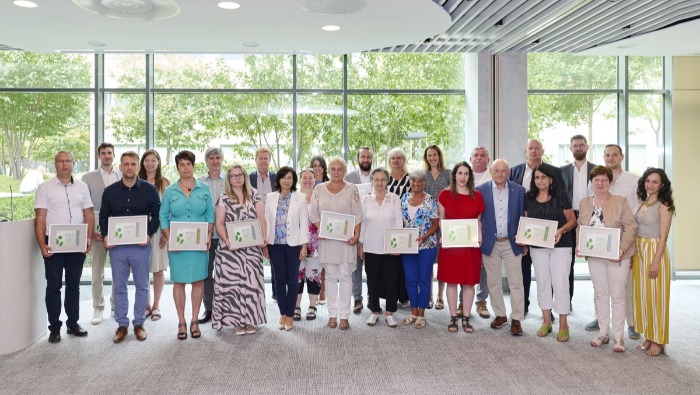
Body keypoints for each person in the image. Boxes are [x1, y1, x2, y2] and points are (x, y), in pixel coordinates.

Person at [34, 150, 94, 343]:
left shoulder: (83, 187)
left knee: (74, 286)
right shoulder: (45, 188)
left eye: (67, 160)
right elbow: (40, 217)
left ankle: (73, 323)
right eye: (60, 161)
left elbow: (89, 214)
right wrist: (42, 244)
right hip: (54, 245)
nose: (64, 164)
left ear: (73, 163)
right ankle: (54, 327)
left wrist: (89, 238)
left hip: (77, 244)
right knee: (53, 286)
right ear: (55, 164)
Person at [101, 151, 161, 343]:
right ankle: (121, 325)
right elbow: (104, 216)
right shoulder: (110, 191)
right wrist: (106, 235)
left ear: (138, 166)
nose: (129, 167)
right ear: (120, 167)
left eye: (133, 164)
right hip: (117, 247)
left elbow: (158, 215)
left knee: (142, 285)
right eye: (125, 164)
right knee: (119, 287)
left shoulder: (149, 190)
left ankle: (138, 323)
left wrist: (148, 233)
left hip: (140, 246)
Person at [577, 165, 637, 352]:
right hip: (595, 256)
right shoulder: (585, 202)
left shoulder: (620, 201)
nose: (600, 183)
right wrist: (580, 245)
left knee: (617, 295)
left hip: (617, 256)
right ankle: (603, 333)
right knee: (600, 293)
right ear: (591, 183)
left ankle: (619, 338)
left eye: (604, 180)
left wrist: (621, 249)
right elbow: (581, 227)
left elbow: (631, 228)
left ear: (610, 182)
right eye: (597, 180)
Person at [585, 144, 641, 339]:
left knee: (623, 288)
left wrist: (626, 247)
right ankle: (601, 324)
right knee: (600, 289)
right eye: (607, 155)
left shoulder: (634, 181)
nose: (611, 157)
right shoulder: (592, 187)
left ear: (621, 156)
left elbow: (637, 215)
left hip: (623, 241)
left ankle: (631, 323)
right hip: (597, 249)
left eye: (614, 154)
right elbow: (585, 222)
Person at [160, 150, 214, 340]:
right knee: (179, 282)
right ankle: (181, 321)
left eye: (188, 164)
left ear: (193, 166)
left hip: (199, 243)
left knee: (198, 281)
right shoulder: (170, 191)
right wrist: (169, 238)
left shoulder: (204, 188)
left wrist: (208, 235)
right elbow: (163, 216)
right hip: (178, 245)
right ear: (177, 168)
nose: (185, 167)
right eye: (181, 164)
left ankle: (194, 320)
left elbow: (210, 214)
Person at [509, 139, 565, 316]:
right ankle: (523, 307)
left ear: (542, 151)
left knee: (548, 274)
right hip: (525, 228)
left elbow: (561, 197)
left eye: (537, 148)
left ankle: (550, 312)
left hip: (548, 229)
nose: (533, 151)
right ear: (525, 151)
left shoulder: (554, 171)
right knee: (524, 271)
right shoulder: (515, 171)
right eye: (530, 148)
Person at [309, 157, 363, 330]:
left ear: (344, 171)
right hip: (327, 240)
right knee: (331, 277)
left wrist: (356, 235)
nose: (336, 172)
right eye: (333, 169)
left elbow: (357, 214)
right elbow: (313, 214)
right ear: (328, 171)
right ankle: (332, 315)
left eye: (340, 169)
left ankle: (344, 316)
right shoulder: (319, 189)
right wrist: (320, 229)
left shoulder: (352, 189)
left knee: (346, 276)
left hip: (346, 241)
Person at [213, 164, 268, 335]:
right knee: (233, 286)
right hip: (230, 250)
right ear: (229, 180)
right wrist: (227, 240)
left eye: (239, 175)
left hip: (251, 248)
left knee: (251, 284)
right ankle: (236, 321)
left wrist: (263, 237)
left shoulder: (255, 195)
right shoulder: (223, 198)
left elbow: (261, 218)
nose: (237, 178)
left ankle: (250, 320)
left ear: (244, 177)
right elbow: (219, 224)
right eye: (233, 176)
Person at [525, 165, 577, 342]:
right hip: (537, 248)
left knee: (561, 283)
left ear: (550, 179)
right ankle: (546, 321)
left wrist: (561, 230)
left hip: (561, 246)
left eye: (543, 177)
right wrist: (524, 237)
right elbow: (526, 222)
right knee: (543, 283)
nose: (540, 181)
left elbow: (572, 220)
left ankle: (563, 324)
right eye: (537, 178)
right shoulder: (529, 197)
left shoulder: (560, 196)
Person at [476, 159, 525, 336]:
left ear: (509, 171)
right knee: (493, 282)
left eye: (503, 171)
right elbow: (478, 218)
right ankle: (500, 315)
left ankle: (517, 318)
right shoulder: (480, 191)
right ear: (491, 171)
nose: (500, 174)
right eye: (496, 171)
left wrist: (524, 241)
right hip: (491, 243)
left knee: (515, 282)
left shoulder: (519, 191)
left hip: (512, 242)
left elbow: (522, 217)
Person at [438, 161, 484, 333]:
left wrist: (479, 236)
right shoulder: (444, 195)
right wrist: (445, 236)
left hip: (470, 247)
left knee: (469, 283)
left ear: (469, 176)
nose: (463, 177)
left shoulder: (477, 196)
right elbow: (442, 220)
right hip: (451, 246)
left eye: (466, 174)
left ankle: (466, 318)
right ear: (454, 175)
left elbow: (478, 222)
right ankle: (452, 317)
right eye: (460, 173)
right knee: (451, 282)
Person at [632, 168, 674, 357]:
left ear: (662, 185)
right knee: (643, 297)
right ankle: (649, 335)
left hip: (654, 251)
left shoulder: (664, 206)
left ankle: (658, 340)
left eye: (655, 182)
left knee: (657, 298)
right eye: (648, 181)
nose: (650, 184)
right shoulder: (643, 202)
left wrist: (655, 261)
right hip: (640, 251)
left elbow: (664, 237)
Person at [265, 166, 309, 331]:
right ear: (278, 180)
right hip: (275, 245)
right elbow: (268, 222)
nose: (286, 180)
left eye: (290, 177)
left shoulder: (300, 198)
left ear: (293, 180)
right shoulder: (270, 197)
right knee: (279, 281)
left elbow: (304, 224)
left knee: (292, 281)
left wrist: (304, 247)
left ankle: (290, 314)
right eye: (283, 177)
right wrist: (265, 245)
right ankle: (282, 312)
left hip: (293, 246)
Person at [358, 167, 402, 327]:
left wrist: (398, 246)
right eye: (376, 179)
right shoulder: (365, 200)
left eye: (382, 179)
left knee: (391, 280)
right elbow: (362, 223)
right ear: (372, 181)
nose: (379, 182)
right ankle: (374, 311)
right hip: (371, 246)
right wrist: (361, 245)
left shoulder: (394, 198)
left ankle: (389, 312)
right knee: (372, 281)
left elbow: (399, 222)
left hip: (391, 247)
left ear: (387, 180)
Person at [82, 142, 120, 325]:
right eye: (103, 153)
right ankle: (98, 307)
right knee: (97, 272)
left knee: (118, 271)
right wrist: (91, 232)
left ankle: (115, 305)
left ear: (114, 155)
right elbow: (85, 207)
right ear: (99, 156)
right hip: (97, 233)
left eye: (109, 153)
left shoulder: (122, 175)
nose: (106, 156)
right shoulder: (88, 178)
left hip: (119, 233)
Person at [400, 170, 439, 329]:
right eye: (413, 181)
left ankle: (421, 313)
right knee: (410, 279)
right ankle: (413, 311)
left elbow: (436, 223)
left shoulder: (430, 200)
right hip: (408, 246)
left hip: (427, 245)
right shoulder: (403, 199)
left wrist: (423, 237)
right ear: (410, 182)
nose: (416, 184)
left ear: (424, 183)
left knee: (423, 279)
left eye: (420, 181)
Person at [560, 135, 595, 306]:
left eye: (582, 145)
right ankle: (567, 301)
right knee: (568, 262)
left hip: (592, 218)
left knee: (596, 262)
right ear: (571, 148)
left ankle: (599, 308)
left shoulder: (597, 170)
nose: (579, 148)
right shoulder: (562, 171)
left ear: (587, 147)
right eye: (575, 146)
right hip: (570, 217)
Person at [138, 149, 170, 322]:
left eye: (153, 160)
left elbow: (168, 210)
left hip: (158, 231)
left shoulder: (164, 183)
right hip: (140, 230)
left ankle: (156, 305)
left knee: (157, 270)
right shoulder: (136, 182)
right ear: (143, 163)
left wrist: (166, 233)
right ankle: (146, 305)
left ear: (158, 163)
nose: (150, 163)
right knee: (142, 270)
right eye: (147, 160)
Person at [197, 147, 225, 324]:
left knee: (225, 273)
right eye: (211, 158)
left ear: (222, 160)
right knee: (205, 273)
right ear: (206, 161)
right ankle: (209, 308)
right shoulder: (198, 182)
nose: (215, 161)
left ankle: (225, 307)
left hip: (224, 235)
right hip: (204, 236)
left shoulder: (230, 181)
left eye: (218, 158)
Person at [423, 145, 451, 311]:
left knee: (442, 262)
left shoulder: (448, 174)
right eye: (429, 155)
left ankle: (441, 297)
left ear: (439, 156)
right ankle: (429, 296)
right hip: (427, 223)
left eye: (434, 155)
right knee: (428, 263)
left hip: (445, 221)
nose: (432, 158)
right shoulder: (423, 175)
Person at [346, 147, 373, 315]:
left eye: (368, 157)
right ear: (358, 159)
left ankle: (372, 296)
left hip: (372, 228)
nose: (365, 159)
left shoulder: (378, 175)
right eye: (362, 156)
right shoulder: (349, 177)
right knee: (356, 267)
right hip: (355, 226)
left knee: (371, 267)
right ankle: (357, 298)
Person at [249, 147, 277, 300]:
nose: (263, 161)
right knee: (254, 259)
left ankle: (276, 293)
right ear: (256, 160)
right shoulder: (248, 178)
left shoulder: (276, 177)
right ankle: (256, 294)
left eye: (266, 158)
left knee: (274, 259)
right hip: (254, 223)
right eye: (260, 158)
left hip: (273, 223)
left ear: (269, 160)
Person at [294, 169, 322, 320]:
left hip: (315, 244)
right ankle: (296, 306)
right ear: (300, 180)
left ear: (314, 179)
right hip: (296, 244)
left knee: (313, 275)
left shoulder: (319, 198)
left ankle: (312, 306)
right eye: (304, 178)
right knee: (297, 276)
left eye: (310, 178)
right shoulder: (294, 198)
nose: (307, 180)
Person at [470, 146, 493, 319]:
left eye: (482, 155)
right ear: (471, 159)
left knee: (484, 265)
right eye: (476, 155)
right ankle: (464, 302)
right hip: (466, 227)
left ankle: (481, 300)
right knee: (466, 262)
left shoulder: (493, 175)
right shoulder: (463, 174)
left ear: (488, 159)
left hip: (486, 225)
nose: (479, 158)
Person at [386, 147, 411, 307]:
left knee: (404, 263)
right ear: (389, 161)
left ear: (403, 160)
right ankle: (391, 295)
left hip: (406, 225)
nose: (396, 160)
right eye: (393, 158)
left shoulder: (410, 179)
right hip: (387, 225)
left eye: (399, 158)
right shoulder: (385, 178)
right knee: (390, 263)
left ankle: (404, 296)